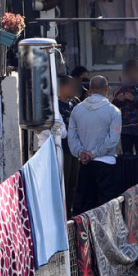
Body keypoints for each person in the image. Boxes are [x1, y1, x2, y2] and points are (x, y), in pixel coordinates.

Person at [68, 75, 122, 213]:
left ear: (90, 89)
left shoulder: (77, 110)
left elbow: (72, 138)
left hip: (84, 163)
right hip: (106, 162)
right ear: (106, 89)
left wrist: (81, 152)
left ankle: (86, 228)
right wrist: (94, 153)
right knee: (107, 206)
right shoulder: (114, 111)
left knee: (86, 205)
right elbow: (112, 140)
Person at [112, 59, 138, 156]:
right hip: (126, 129)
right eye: (129, 72)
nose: (132, 75)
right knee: (127, 155)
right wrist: (118, 100)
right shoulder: (123, 88)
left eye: (134, 72)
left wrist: (135, 99)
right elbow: (113, 107)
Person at [57, 75, 81, 218]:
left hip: (75, 149)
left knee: (73, 184)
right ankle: (63, 215)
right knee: (64, 184)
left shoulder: (74, 104)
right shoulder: (56, 105)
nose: (74, 89)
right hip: (63, 150)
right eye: (71, 86)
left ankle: (70, 213)